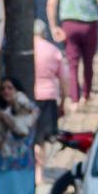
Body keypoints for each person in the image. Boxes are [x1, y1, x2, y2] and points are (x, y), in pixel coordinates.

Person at [32, 19, 73, 167]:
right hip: (47, 97)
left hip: (30, 97)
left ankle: (36, 169)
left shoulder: (27, 50)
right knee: (41, 137)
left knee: (34, 135)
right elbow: (64, 79)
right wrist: (64, 99)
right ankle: (39, 172)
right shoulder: (52, 50)